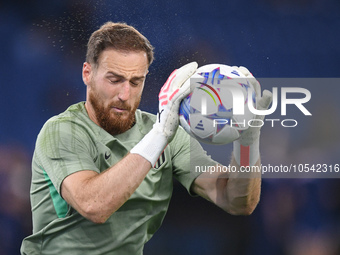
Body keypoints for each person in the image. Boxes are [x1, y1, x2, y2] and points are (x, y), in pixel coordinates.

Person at [21, 21, 272, 254]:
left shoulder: (167, 133)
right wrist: (160, 135)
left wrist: (247, 141)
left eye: (136, 81)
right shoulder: (62, 131)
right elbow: (93, 206)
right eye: (115, 79)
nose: (124, 93)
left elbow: (237, 201)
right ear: (87, 73)